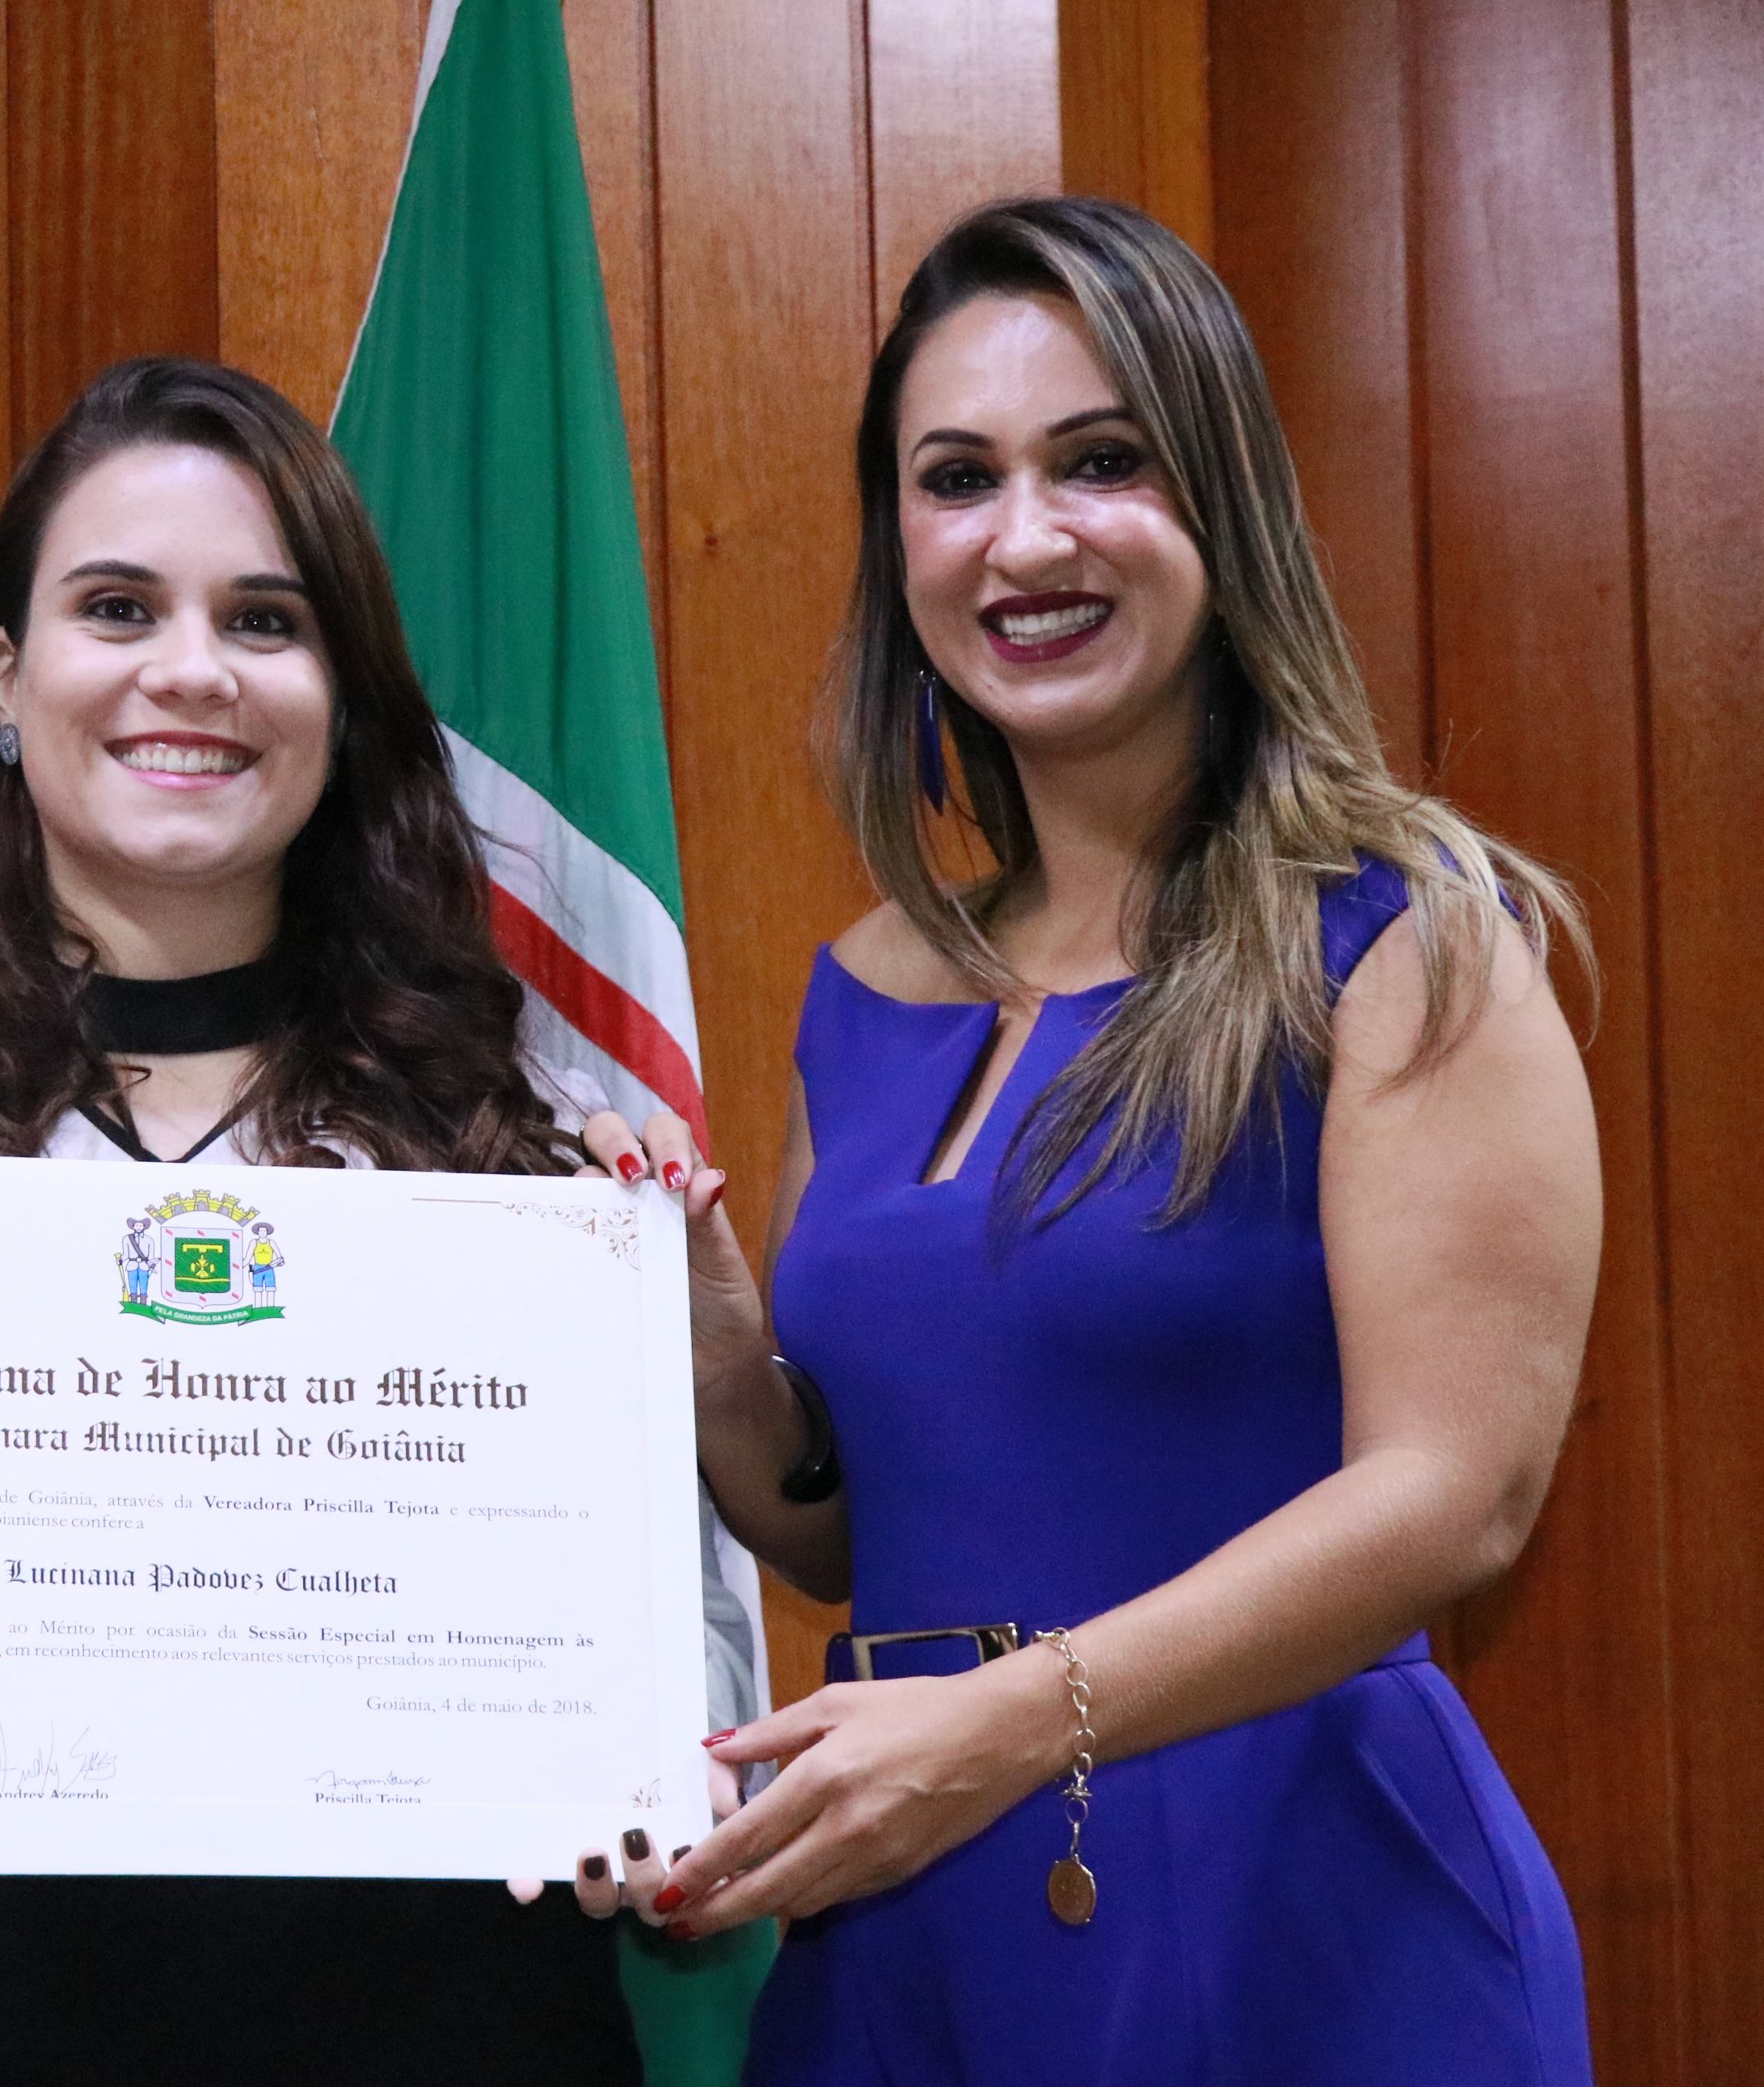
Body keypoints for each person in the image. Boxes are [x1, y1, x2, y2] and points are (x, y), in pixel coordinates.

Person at [0, 357, 770, 2085]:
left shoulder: (527, 1152)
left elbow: (675, 1636)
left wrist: (656, 1778)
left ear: (340, 699)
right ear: (8, 680)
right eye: (118, 608)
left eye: (265, 620)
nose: (192, 670)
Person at [626, 196, 1597, 2081]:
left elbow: (1455, 1494)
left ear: (1221, 503)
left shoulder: (1404, 933)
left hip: (1294, 1916)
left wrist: (1008, 1723)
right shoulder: (870, 985)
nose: (1025, 537)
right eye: (956, 478)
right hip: (908, 1930)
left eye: (1100, 461)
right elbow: (844, 1534)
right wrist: (722, 1352)